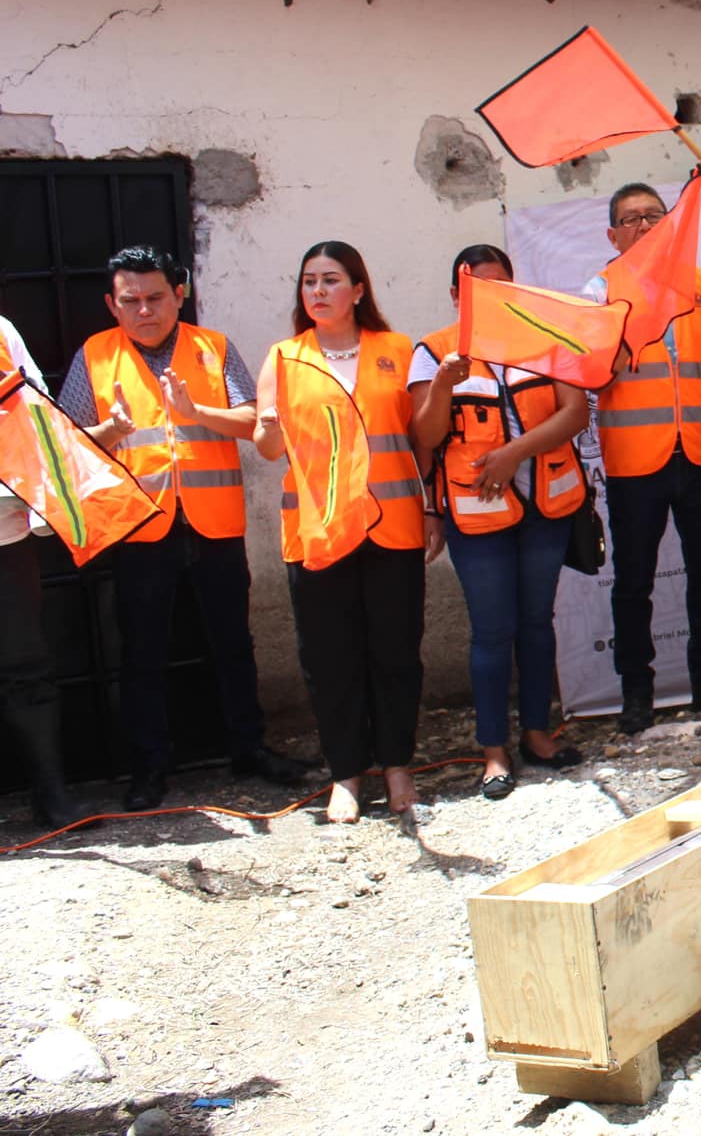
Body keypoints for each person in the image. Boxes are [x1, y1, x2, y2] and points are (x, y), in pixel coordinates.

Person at [59, 245, 304, 812]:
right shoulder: (94, 356)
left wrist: (198, 413)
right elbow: (64, 444)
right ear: (111, 304)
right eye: (131, 301)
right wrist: (110, 433)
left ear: (179, 295)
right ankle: (149, 767)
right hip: (142, 528)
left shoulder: (212, 348)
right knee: (142, 651)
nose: (145, 310)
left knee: (233, 643)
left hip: (214, 524)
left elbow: (255, 421)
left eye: (156, 297)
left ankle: (249, 748)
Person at [252, 242, 427, 824]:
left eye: (331, 280)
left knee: (395, 653)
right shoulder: (284, 357)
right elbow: (269, 445)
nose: (318, 291)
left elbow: (420, 437)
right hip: (319, 533)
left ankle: (398, 765)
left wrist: (433, 512)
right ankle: (346, 775)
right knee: (330, 660)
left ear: (358, 290)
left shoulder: (397, 350)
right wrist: (269, 427)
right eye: (309, 282)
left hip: (392, 528)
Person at [411, 245, 590, 801]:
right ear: (456, 294)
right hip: (476, 514)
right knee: (492, 632)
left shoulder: (543, 338)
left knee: (537, 623)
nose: (488, 297)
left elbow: (575, 411)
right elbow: (424, 438)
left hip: (544, 508)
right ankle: (493, 751)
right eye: (475, 288)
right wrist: (443, 383)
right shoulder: (433, 352)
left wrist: (514, 453)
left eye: (499, 286)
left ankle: (537, 733)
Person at [585, 180, 701, 730]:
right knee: (634, 581)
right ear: (612, 234)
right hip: (636, 462)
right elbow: (587, 375)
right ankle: (638, 691)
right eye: (631, 219)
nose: (644, 226)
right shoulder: (599, 291)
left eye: (654, 216)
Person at [0, 309, 83, 828]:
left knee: (24, 664)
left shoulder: (0, 330)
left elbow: (38, 410)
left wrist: (44, 502)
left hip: (2, 531)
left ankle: (50, 794)